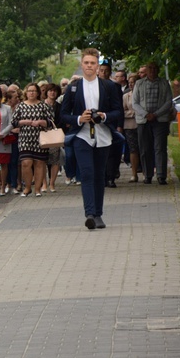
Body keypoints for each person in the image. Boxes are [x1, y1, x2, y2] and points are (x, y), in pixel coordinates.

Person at [61, 48, 123, 229]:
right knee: (87, 173)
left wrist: (103, 116)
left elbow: (117, 111)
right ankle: (89, 213)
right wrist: (80, 118)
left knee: (99, 175)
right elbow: (63, 115)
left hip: (103, 135)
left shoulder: (109, 86)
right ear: (82, 65)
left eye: (93, 63)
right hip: (82, 135)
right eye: (86, 63)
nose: (89, 66)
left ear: (98, 66)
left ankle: (98, 214)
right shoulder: (73, 88)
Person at [132, 61, 173, 185]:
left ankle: (161, 175)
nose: (152, 70)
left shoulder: (164, 83)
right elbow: (135, 103)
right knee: (145, 149)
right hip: (143, 121)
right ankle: (147, 175)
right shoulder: (139, 83)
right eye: (150, 68)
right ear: (147, 70)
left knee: (160, 148)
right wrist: (146, 114)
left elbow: (168, 101)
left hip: (160, 120)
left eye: (155, 68)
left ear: (158, 70)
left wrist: (156, 114)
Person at [12, 83, 53, 197]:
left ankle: (38, 189)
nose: (31, 93)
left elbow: (51, 121)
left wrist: (41, 122)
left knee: (39, 163)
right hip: (25, 138)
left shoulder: (43, 106)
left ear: (38, 93)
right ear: (26, 92)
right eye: (29, 91)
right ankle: (28, 187)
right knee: (26, 163)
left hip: (40, 138)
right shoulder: (20, 106)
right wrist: (24, 122)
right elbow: (14, 122)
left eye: (34, 91)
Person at [42, 83, 63, 193]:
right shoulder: (40, 105)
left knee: (55, 160)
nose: (52, 92)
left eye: (54, 91)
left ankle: (52, 183)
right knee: (42, 161)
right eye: (50, 90)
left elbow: (61, 120)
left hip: (55, 135)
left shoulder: (59, 106)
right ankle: (44, 184)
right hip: (43, 135)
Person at [123, 78, 140, 182]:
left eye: (133, 82)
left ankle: (147, 172)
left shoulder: (143, 95)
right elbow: (123, 111)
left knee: (144, 148)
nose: (130, 84)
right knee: (133, 149)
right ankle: (134, 173)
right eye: (129, 82)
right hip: (130, 125)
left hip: (142, 124)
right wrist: (133, 113)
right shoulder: (126, 96)